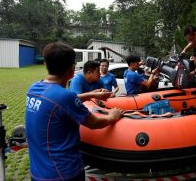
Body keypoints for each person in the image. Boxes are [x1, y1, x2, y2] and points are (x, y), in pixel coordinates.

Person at [25, 42, 124, 180]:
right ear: (72, 71)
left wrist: (91, 94)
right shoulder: (65, 97)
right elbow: (94, 123)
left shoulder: (33, 89)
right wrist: (112, 116)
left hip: (37, 172)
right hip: (63, 173)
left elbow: (59, 100)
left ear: (45, 65)